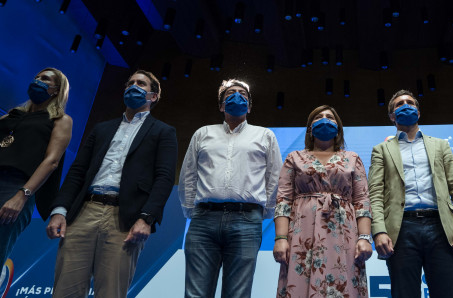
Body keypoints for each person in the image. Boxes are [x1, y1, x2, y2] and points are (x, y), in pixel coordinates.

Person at [46, 70, 178, 298]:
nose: (133, 86)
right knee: (65, 291)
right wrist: (59, 210)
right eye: (130, 83)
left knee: (110, 293)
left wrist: (146, 218)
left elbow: (164, 178)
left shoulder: (163, 132)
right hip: (83, 213)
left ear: (153, 96)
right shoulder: (102, 128)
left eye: (141, 83)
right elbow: (77, 172)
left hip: (125, 219)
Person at [179, 79, 282, 298]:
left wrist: (264, 211)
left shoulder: (265, 135)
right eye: (231, 93)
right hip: (203, 220)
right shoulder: (202, 133)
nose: (237, 96)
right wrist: (191, 210)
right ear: (221, 105)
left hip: (246, 221)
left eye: (242, 93)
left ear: (250, 106)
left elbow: (274, 177)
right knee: (195, 293)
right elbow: (189, 174)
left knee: (238, 294)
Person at [368, 89, 453, 298]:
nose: (405, 105)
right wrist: (379, 230)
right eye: (399, 104)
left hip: (441, 228)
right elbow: (375, 195)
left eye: (410, 102)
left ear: (418, 111)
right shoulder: (381, 149)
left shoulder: (440, 145)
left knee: (448, 293)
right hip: (401, 229)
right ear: (391, 116)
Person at [273, 105, 373, 298]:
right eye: (319, 117)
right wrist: (280, 239)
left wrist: (364, 238)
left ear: (339, 127)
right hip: (302, 235)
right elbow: (283, 200)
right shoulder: (294, 157)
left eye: (330, 117)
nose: (325, 119)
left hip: (344, 235)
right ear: (310, 128)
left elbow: (362, 201)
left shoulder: (353, 158)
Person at [0, 68, 72, 265]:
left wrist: (22, 195)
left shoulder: (60, 120)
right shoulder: (11, 116)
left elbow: (52, 161)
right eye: (37, 77)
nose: (38, 81)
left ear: (56, 90)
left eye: (45, 79)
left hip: (15, 187)